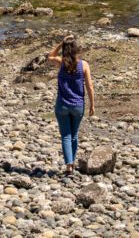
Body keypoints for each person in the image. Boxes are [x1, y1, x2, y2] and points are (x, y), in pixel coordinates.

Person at [47, 34, 95, 174]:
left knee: (66, 136)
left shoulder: (60, 62)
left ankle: (69, 165)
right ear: (76, 49)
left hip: (62, 105)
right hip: (78, 106)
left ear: (65, 49)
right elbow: (90, 86)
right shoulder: (84, 65)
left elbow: (50, 56)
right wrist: (92, 104)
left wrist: (60, 44)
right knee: (74, 135)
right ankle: (71, 164)